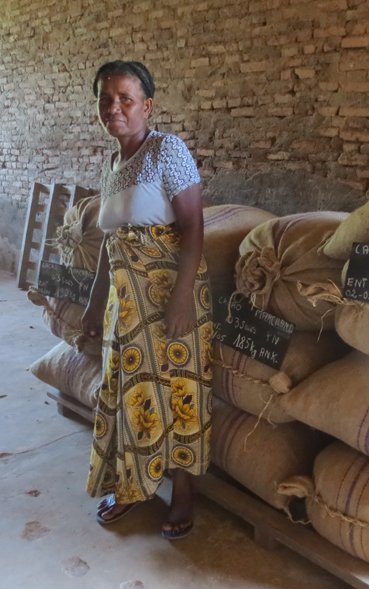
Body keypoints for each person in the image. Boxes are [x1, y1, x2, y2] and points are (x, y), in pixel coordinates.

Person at [82, 60, 212, 540]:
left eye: (125, 99)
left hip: (168, 300)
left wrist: (181, 299)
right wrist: (97, 304)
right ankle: (133, 486)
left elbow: (194, 228)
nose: (114, 108)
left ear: (147, 106)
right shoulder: (113, 166)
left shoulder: (167, 150)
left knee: (177, 390)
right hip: (125, 307)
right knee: (129, 393)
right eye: (105, 99)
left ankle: (182, 494)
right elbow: (109, 244)